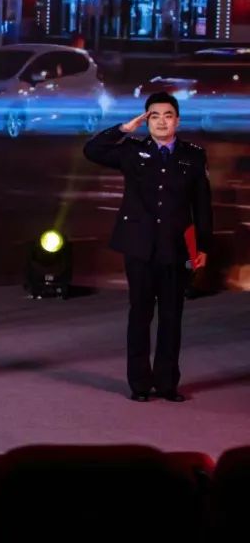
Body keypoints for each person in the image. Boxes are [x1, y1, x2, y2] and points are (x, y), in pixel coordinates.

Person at [83, 92, 212, 403]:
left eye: (168, 115)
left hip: (176, 248)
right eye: (154, 116)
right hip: (139, 246)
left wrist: (203, 247)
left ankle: (167, 384)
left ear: (177, 120)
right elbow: (92, 150)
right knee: (140, 314)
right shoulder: (131, 151)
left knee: (171, 316)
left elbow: (202, 206)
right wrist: (123, 129)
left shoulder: (193, 156)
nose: (161, 122)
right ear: (147, 120)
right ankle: (140, 384)